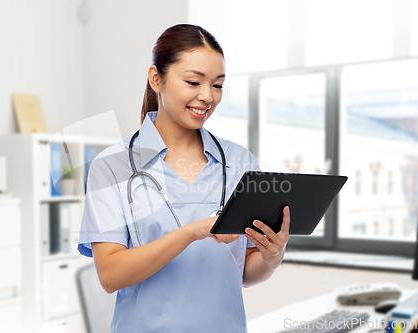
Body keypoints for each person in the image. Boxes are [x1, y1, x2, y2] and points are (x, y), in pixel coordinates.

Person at [78, 23, 290, 332]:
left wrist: (272, 256)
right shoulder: (112, 166)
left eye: (217, 85)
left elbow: (245, 271)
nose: (207, 96)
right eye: (193, 82)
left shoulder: (240, 161)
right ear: (156, 79)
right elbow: (110, 275)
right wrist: (190, 232)